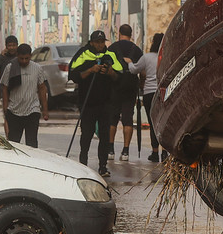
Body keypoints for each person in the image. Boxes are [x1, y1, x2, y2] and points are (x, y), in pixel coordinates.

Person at [69, 30, 123, 177]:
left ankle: (103, 166)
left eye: (102, 42)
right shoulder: (83, 53)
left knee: (105, 136)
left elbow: (121, 76)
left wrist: (110, 72)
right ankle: (83, 162)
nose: (100, 45)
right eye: (97, 42)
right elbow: (73, 75)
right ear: (92, 42)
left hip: (106, 102)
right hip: (88, 102)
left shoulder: (110, 55)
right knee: (86, 134)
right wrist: (91, 70)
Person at [0, 43, 49, 148]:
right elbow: (4, 88)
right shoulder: (10, 67)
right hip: (14, 111)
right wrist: (5, 108)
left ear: (30, 56)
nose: (24, 61)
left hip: (32, 110)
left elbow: (42, 88)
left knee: (31, 144)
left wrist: (45, 110)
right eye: (21, 58)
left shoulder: (37, 68)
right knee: (13, 144)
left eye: (26, 58)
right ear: (17, 56)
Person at [107, 24, 143, 161]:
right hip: (131, 87)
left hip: (114, 87)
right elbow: (142, 71)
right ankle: (126, 151)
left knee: (113, 118)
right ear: (131, 34)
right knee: (128, 118)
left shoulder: (112, 48)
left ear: (119, 33)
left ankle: (110, 149)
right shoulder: (137, 50)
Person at [130, 32, 164, 162]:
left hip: (149, 93)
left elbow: (134, 69)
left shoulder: (147, 57)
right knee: (162, 122)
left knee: (152, 123)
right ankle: (165, 152)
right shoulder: (166, 56)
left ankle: (155, 153)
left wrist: (128, 63)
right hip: (163, 92)